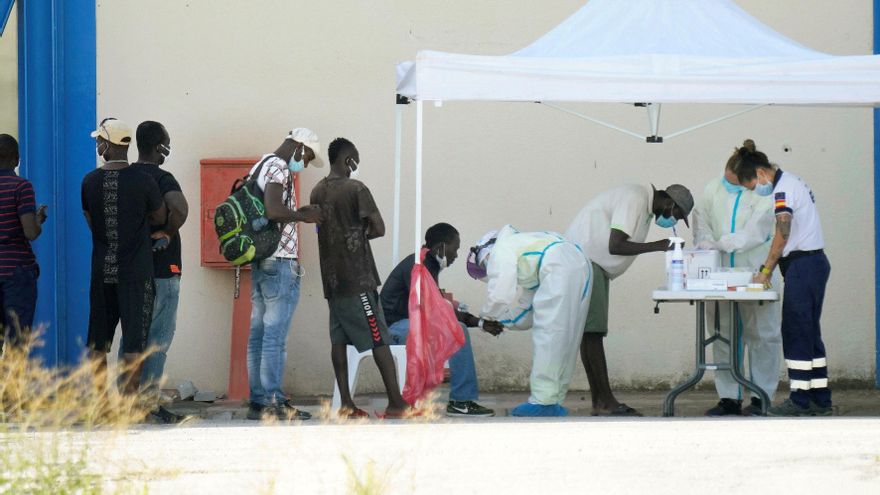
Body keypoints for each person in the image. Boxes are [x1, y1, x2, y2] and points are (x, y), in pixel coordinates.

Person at [565, 183, 694, 416]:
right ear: (669, 203)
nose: (673, 221)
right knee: (593, 334)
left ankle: (600, 400)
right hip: (587, 264)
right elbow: (615, 245)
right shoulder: (634, 198)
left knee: (589, 334)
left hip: (588, 264)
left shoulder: (642, 203)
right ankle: (606, 401)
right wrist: (660, 246)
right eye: (677, 215)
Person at [310, 137, 409, 418]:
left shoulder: (317, 191)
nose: (356, 166)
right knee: (379, 339)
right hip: (358, 278)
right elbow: (379, 228)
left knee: (339, 341)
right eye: (355, 161)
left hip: (331, 281)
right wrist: (358, 232)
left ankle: (345, 405)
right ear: (347, 160)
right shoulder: (356, 188)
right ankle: (396, 404)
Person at [733, 145, 831, 417]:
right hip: (812, 264)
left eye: (752, 185)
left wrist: (765, 270)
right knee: (810, 333)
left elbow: (783, 232)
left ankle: (800, 400)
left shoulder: (783, 189)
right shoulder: (793, 180)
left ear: (761, 173)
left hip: (802, 265)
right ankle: (820, 399)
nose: (755, 191)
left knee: (796, 332)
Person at [693, 140, 782, 416]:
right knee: (722, 334)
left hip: (756, 273)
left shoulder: (764, 193)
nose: (731, 186)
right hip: (718, 275)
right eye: (728, 180)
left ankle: (760, 397)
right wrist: (706, 242)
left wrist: (721, 243)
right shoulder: (712, 189)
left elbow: (755, 233)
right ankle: (729, 397)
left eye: (737, 182)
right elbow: (701, 220)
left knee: (762, 335)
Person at [467, 225, 592, 417]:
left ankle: (543, 401)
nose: (488, 270)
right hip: (578, 265)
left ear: (485, 253)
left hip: (558, 267)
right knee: (568, 336)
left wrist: (486, 317)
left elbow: (499, 294)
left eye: (485, 266)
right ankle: (554, 399)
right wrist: (502, 322)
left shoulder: (502, 248)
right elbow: (525, 313)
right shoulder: (527, 253)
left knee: (549, 335)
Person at [380, 222, 500, 417]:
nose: (456, 255)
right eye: (455, 249)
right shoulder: (418, 266)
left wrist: (479, 323)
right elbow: (435, 311)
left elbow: (438, 309)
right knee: (457, 329)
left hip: (407, 324)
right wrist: (476, 322)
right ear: (441, 248)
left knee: (457, 328)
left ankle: (460, 399)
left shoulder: (427, 264)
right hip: (393, 328)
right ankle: (461, 401)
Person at [82, 118, 166, 394]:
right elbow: (159, 216)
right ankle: (129, 403)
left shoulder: (90, 181)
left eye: (99, 141)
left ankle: (102, 404)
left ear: (108, 144)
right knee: (134, 342)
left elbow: (91, 220)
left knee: (97, 341)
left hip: (102, 272)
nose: (98, 145)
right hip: (136, 273)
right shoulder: (144, 181)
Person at [113, 121, 189, 423]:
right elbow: (180, 208)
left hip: (129, 272)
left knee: (131, 338)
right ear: (160, 147)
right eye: (167, 143)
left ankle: (125, 401)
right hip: (162, 269)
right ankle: (148, 403)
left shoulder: (123, 178)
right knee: (157, 337)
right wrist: (168, 231)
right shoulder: (161, 177)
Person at [245, 128, 323, 421]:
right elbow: (275, 210)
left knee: (258, 334)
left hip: (262, 257)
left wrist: (295, 211)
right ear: (300, 148)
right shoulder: (279, 166)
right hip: (279, 261)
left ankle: (257, 402)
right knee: (274, 336)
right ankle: (275, 403)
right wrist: (303, 215)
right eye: (308, 157)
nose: (304, 164)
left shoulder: (261, 164)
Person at [0, 134, 47, 352]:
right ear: (16, 159)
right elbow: (30, 232)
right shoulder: (21, 187)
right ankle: (12, 387)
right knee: (17, 343)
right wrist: (37, 221)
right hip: (16, 274)